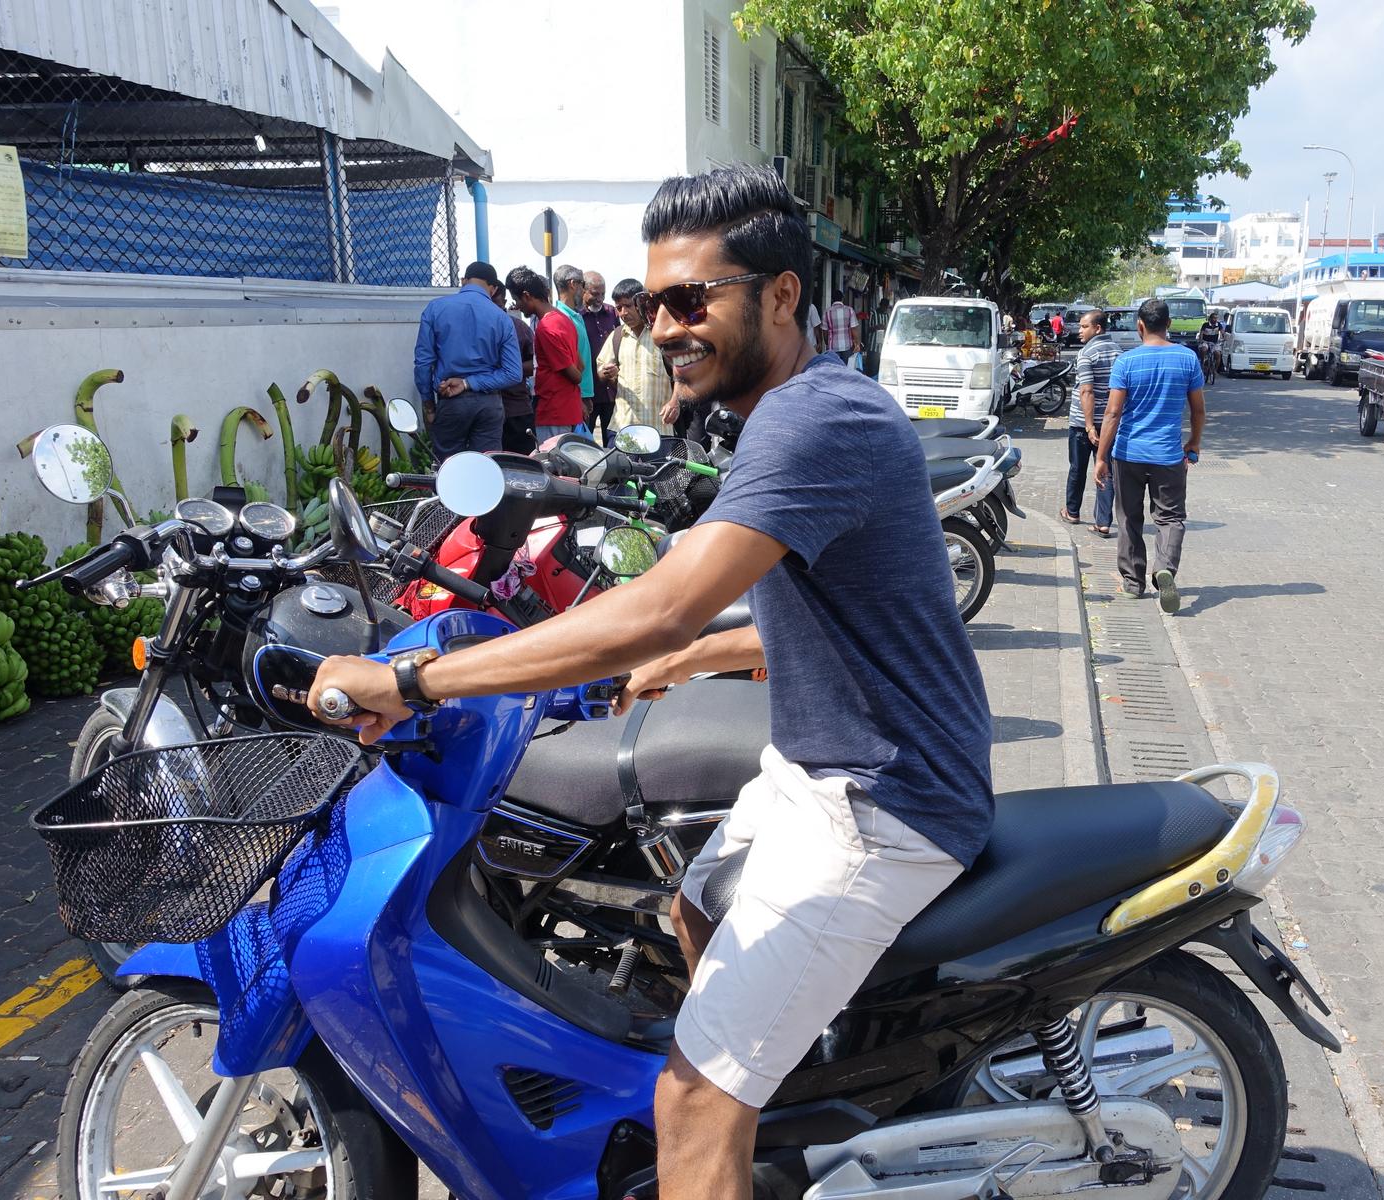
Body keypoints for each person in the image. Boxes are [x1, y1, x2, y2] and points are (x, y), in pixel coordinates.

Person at [307, 165, 992, 1200]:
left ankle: (720, 1125)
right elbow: (825, 607)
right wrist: (690, 657)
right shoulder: (792, 411)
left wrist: (417, 677)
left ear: (780, 297)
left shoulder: (816, 420)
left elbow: (662, 600)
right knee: (694, 902)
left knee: (689, 1100)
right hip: (818, 769)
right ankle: (775, 1088)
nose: (663, 325)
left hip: (882, 803)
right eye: (649, 301)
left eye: (690, 299)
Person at [1094, 297, 1206, 614]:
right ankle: (1164, 568)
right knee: (1170, 518)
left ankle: (1132, 583)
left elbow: (1113, 413)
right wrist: (1194, 443)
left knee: (1129, 517)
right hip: (1168, 456)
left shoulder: (1126, 362)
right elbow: (1198, 409)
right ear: (1168, 324)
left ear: (1139, 325)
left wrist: (1101, 457)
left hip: (1128, 453)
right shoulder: (1187, 359)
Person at [411, 260, 524, 457]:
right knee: (485, 466)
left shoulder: (435, 309)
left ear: (463, 281)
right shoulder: (502, 318)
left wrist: (429, 403)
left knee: (448, 468)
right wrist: (468, 383)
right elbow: (513, 373)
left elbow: (423, 363)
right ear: (493, 288)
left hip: (450, 401)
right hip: (489, 404)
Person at [507, 267, 585, 443]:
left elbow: (575, 374)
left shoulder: (546, 328)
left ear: (527, 295)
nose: (516, 306)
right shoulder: (563, 318)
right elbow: (580, 364)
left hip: (554, 412)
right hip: (565, 410)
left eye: (516, 299)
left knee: (554, 468)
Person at [1064, 308, 1120, 533]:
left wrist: (1088, 426)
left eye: (1084, 327)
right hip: (1109, 423)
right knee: (1104, 468)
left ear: (1097, 328)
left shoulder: (1087, 353)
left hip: (1082, 423)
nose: (1079, 331)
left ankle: (1072, 511)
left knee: (1077, 468)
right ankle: (1103, 522)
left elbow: (1086, 391)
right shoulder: (1119, 352)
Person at [598, 277, 674, 433]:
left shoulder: (661, 334)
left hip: (658, 429)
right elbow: (600, 370)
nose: (623, 313)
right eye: (619, 308)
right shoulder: (617, 336)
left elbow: (682, 373)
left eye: (628, 306)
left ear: (642, 303)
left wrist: (675, 403)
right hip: (623, 428)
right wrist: (606, 372)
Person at [493, 280, 538, 454]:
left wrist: (510, 370)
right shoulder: (475, 328)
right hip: (487, 413)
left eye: (496, 304)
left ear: (504, 302)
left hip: (516, 410)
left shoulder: (519, 327)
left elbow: (536, 362)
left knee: (524, 466)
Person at [554, 263, 597, 430]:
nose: (584, 291)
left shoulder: (575, 316)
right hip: (572, 400)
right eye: (582, 285)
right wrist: (578, 400)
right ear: (573, 284)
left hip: (581, 397)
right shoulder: (561, 318)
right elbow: (568, 366)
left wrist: (586, 396)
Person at [582, 270, 622, 443]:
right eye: (595, 294)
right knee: (585, 444)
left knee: (613, 443)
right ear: (583, 290)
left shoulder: (613, 313)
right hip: (589, 393)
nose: (599, 299)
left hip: (611, 392)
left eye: (603, 294)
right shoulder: (576, 317)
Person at [823, 296, 857, 364]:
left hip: (832, 347)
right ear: (842, 299)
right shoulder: (849, 310)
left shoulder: (827, 312)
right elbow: (853, 329)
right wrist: (856, 343)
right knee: (846, 370)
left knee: (834, 370)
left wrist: (827, 343)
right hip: (847, 346)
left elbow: (825, 331)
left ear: (832, 299)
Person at [1197, 311, 1225, 383]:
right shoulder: (1205, 325)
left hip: (1215, 343)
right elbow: (1201, 333)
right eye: (1214, 318)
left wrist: (1224, 337)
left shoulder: (1218, 325)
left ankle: (1214, 371)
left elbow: (1222, 332)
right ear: (1210, 319)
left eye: (1216, 318)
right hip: (1205, 342)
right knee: (1203, 350)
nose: (1215, 319)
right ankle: (1202, 364)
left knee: (1218, 354)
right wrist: (1201, 340)